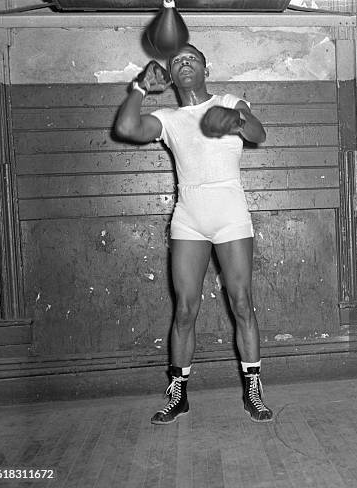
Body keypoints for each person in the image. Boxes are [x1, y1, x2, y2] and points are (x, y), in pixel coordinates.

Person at [114, 44, 273, 423]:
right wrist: (139, 87)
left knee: (242, 302)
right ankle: (178, 394)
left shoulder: (230, 100)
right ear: (170, 75)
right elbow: (125, 128)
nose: (185, 63)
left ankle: (254, 389)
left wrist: (234, 120)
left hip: (230, 214)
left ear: (206, 68)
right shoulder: (168, 117)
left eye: (192, 59)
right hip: (189, 218)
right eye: (177, 61)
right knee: (185, 309)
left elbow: (258, 133)